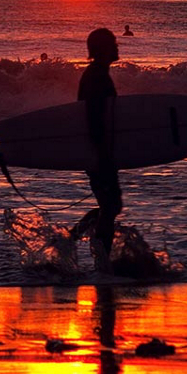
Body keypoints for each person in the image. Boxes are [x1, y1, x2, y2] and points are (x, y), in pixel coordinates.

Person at [70, 27, 122, 276]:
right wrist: (101, 154)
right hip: (98, 151)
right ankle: (102, 267)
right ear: (101, 49)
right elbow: (93, 119)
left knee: (110, 206)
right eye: (112, 43)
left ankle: (71, 241)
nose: (117, 47)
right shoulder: (96, 77)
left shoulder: (99, 74)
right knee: (110, 206)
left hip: (100, 150)